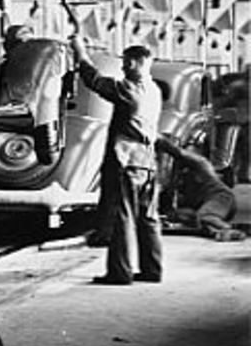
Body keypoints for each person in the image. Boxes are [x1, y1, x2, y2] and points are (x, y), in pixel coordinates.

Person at [69, 37, 163, 285]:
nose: (122, 68)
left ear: (132, 63)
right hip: (148, 162)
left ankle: (119, 273)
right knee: (148, 218)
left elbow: (95, 81)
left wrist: (80, 52)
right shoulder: (154, 90)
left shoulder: (128, 90)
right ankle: (152, 270)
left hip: (126, 161)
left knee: (122, 217)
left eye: (124, 64)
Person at [156, 136, 245, 241]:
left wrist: (158, 139)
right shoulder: (179, 175)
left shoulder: (201, 164)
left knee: (205, 216)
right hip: (207, 203)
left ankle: (228, 230)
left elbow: (178, 153)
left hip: (220, 197)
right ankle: (216, 231)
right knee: (178, 216)